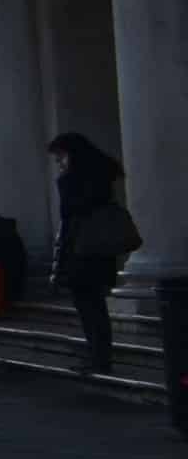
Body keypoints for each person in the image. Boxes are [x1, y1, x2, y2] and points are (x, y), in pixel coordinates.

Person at [48, 132, 136, 376]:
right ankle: (101, 356)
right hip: (102, 250)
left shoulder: (71, 181)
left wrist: (59, 263)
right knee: (96, 306)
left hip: (81, 250)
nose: (59, 163)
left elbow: (68, 217)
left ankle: (98, 357)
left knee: (88, 307)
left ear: (70, 154)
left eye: (60, 157)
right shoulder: (103, 177)